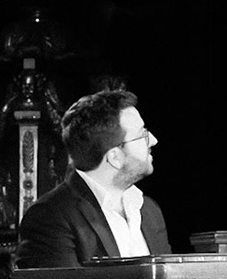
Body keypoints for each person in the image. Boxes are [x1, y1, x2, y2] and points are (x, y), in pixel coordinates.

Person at [15, 88, 173, 267]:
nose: (153, 140)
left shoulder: (150, 211)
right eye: (142, 134)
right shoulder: (50, 217)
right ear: (115, 157)